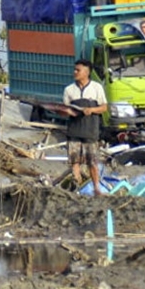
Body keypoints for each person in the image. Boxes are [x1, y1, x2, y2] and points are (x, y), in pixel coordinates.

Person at [63, 59, 108, 196]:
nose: (75, 72)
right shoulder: (69, 90)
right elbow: (65, 108)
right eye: (74, 69)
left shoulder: (96, 88)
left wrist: (91, 110)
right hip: (74, 131)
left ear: (87, 72)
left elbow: (104, 107)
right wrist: (67, 111)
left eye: (78, 70)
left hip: (90, 131)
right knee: (74, 161)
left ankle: (96, 188)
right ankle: (77, 188)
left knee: (92, 162)